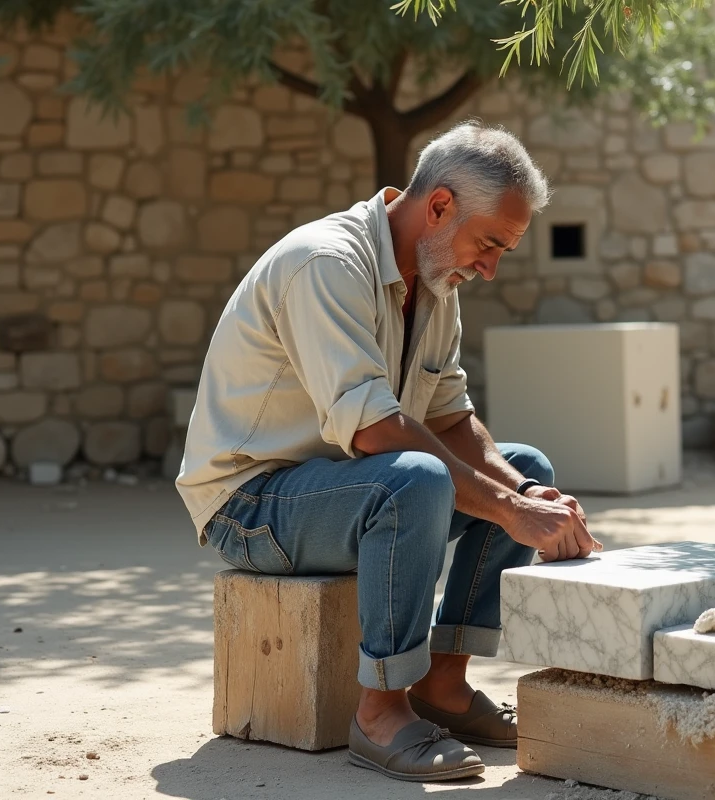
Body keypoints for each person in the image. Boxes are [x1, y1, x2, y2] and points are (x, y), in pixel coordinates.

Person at [176, 121, 599, 781]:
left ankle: (444, 688)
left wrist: (525, 495)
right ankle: (381, 712)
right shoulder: (325, 263)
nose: (489, 268)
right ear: (438, 206)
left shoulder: (436, 283)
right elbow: (376, 431)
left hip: (349, 489)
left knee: (529, 469)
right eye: (489, 244)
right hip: (250, 503)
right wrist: (511, 513)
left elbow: (452, 418)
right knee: (417, 481)